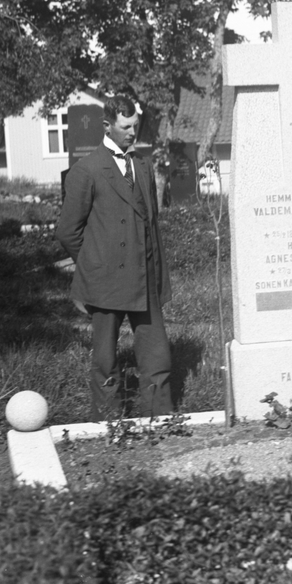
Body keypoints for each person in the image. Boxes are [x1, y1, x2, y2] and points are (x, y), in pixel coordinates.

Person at [56, 96, 174, 420]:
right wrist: (95, 263)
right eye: (125, 127)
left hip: (144, 278)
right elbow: (67, 231)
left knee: (157, 355)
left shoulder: (143, 167)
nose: (132, 133)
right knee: (105, 359)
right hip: (105, 282)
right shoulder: (86, 170)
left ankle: (162, 420)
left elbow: (151, 224)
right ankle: (109, 424)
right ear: (107, 126)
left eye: (135, 126)